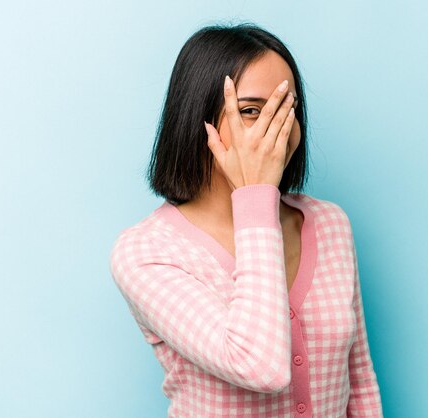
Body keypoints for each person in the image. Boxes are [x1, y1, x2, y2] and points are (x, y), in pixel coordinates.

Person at [109, 22, 383, 417]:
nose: (277, 128)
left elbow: (360, 384)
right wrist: (255, 199)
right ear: (196, 118)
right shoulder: (145, 253)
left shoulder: (329, 224)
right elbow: (259, 366)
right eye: (253, 111)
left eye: (287, 109)